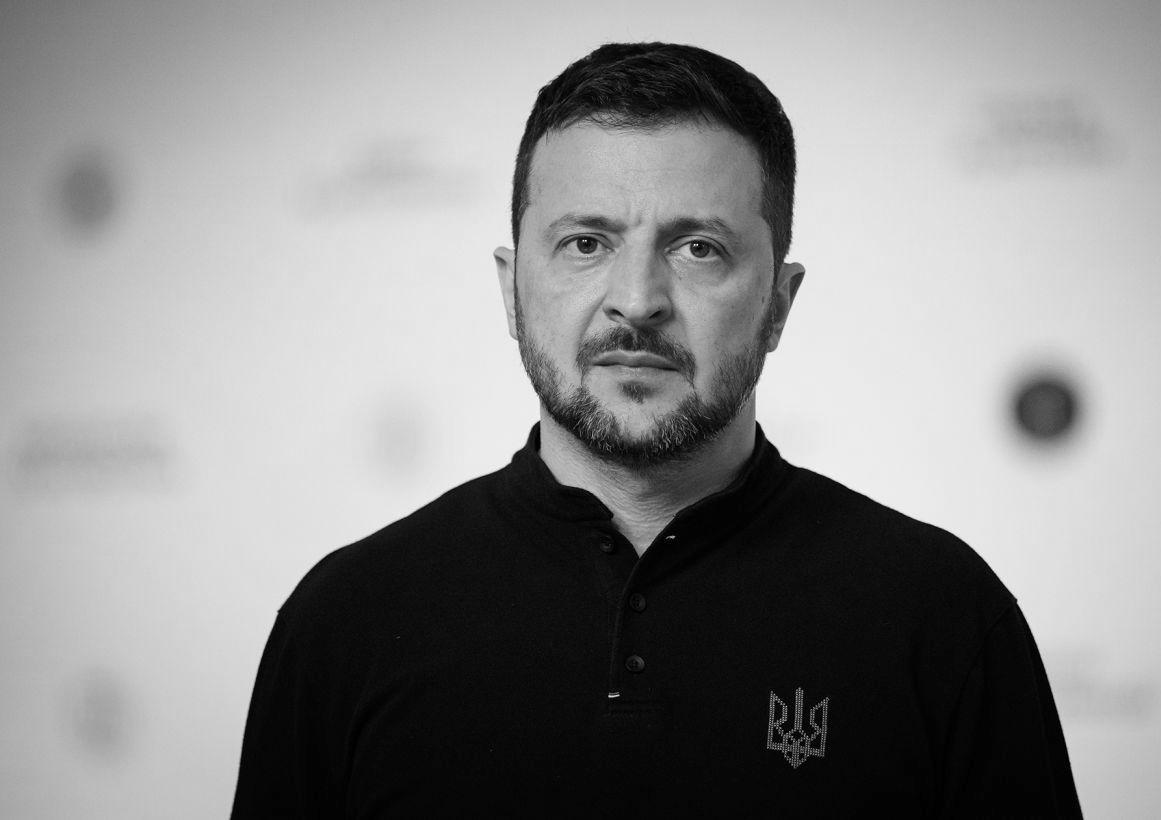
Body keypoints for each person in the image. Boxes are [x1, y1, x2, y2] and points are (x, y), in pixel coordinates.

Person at [232, 42, 1081, 817]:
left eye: (698, 248)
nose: (636, 301)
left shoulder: (941, 617)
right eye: (585, 243)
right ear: (510, 289)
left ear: (779, 305)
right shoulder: (345, 621)